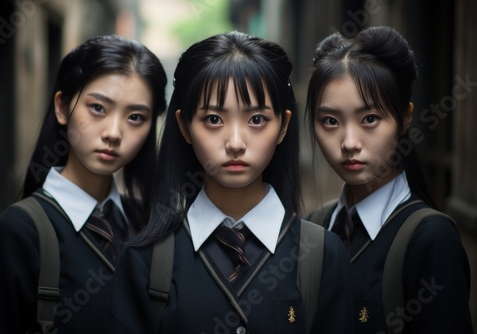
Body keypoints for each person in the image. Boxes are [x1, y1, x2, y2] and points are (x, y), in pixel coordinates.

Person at [104, 31, 353, 334]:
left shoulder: (323, 254)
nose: (235, 143)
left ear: (284, 126)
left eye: (257, 119)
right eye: (213, 119)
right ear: (184, 126)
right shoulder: (145, 259)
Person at [0, 35, 167, 333]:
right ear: (62, 107)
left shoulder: (146, 226)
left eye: (135, 117)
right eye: (98, 108)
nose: (114, 133)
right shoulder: (10, 233)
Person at [305, 26, 473, 333]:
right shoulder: (313, 227)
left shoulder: (431, 239)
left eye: (369, 119)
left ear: (405, 118)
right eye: (330, 121)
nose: (349, 142)